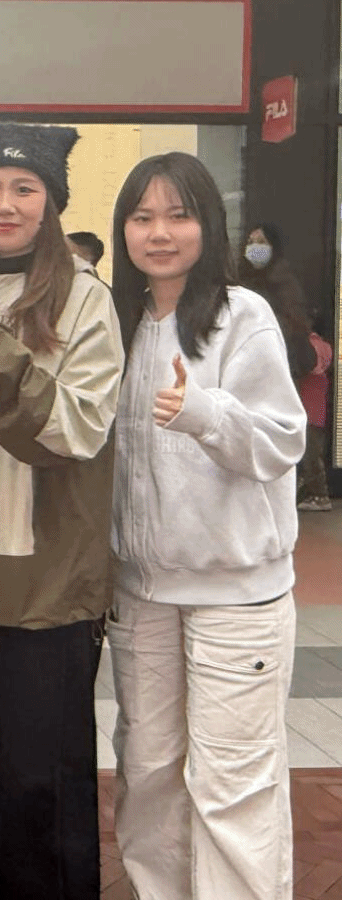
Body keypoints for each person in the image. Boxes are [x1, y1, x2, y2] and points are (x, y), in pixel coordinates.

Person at [0, 121, 123, 900]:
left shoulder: (84, 299)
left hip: (45, 585)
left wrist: (0, 365)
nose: (3, 205)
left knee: (40, 782)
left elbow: (81, 429)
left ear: (52, 203)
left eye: (24, 189)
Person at [108, 152, 305, 900]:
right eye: (142, 217)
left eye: (178, 215)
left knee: (233, 782)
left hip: (237, 595)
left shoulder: (240, 315)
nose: (159, 233)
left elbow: (282, 440)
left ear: (209, 226)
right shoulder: (120, 319)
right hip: (142, 593)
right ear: (123, 229)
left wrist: (206, 414)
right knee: (149, 773)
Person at [236, 222, 315, 380]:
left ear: (273, 248)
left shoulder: (286, 283)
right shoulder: (237, 282)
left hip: (280, 369)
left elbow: (296, 328)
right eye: (250, 242)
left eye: (261, 242)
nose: (254, 248)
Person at [298, 318, 333, 511]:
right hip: (318, 414)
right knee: (313, 454)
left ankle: (320, 496)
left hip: (307, 412)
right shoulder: (327, 348)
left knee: (311, 456)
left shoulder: (307, 346)